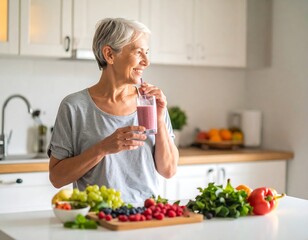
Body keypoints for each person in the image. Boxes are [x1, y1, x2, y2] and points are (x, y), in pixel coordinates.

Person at [48, 18, 179, 204]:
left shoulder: (151, 102)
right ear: (109, 54)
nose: (146, 61)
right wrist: (103, 148)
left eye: (147, 52)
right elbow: (57, 178)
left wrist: (159, 118)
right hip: (99, 220)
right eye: (138, 52)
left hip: (145, 217)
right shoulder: (74, 107)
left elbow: (169, 170)